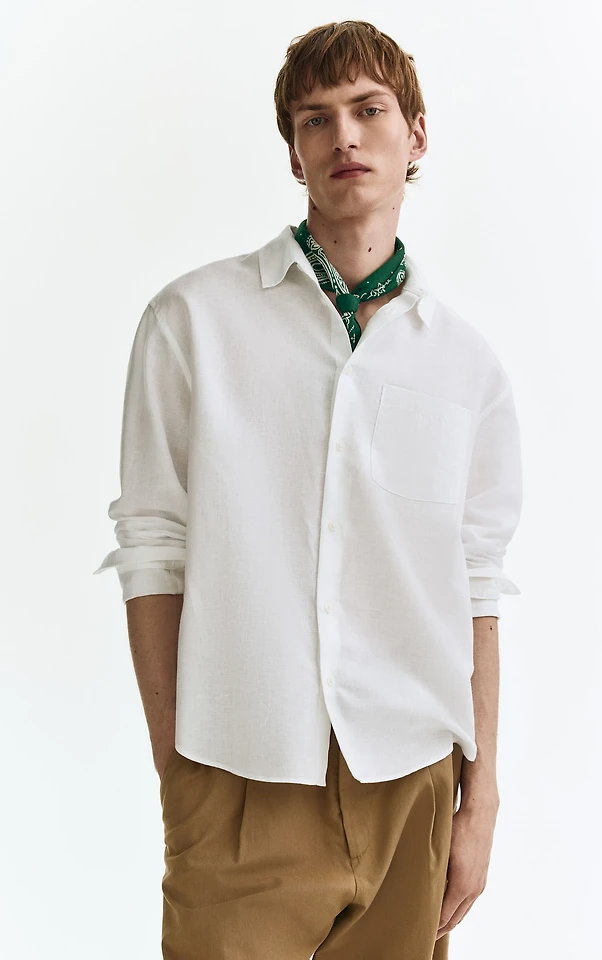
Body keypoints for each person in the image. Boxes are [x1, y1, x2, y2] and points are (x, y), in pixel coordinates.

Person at [94, 19, 523, 960]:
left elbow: (476, 582)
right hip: (240, 774)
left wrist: (480, 797)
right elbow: (153, 546)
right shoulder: (192, 321)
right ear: (294, 154)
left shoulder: (466, 365)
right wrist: (179, 771)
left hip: (412, 783)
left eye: (369, 111)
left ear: (416, 134)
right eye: (316, 119)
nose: (344, 137)